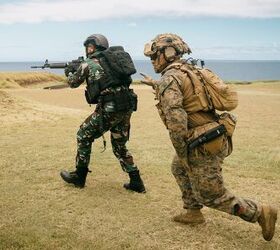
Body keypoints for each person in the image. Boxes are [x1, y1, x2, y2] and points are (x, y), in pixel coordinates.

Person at [141, 33, 277, 241]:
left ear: (167, 54)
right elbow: (190, 95)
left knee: (212, 195)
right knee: (178, 167)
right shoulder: (188, 70)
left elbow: (176, 121)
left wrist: (182, 149)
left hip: (200, 144)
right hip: (210, 134)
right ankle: (193, 211)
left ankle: (259, 212)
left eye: (154, 56)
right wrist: (155, 85)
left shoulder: (170, 77)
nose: (152, 61)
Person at [60, 34, 145, 193]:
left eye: (88, 47)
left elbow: (72, 83)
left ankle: (79, 176)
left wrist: (69, 73)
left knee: (83, 135)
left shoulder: (88, 63)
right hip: (126, 105)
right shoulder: (112, 62)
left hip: (110, 107)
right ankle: (136, 181)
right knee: (119, 145)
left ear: (91, 47)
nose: (87, 50)